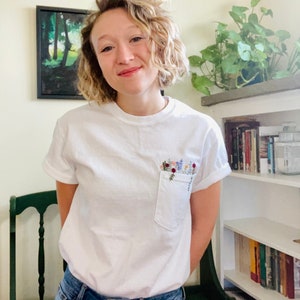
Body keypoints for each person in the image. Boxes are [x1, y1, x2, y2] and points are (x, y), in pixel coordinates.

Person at [43, 0, 231, 299]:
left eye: (135, 39)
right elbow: (69, 214)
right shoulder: (73, 127)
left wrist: (169, 279)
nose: (124, 56)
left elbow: (202, 224)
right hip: (82, 291)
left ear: (160, 42)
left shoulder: (201, 131)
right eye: (106, 48)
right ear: (95, 62)